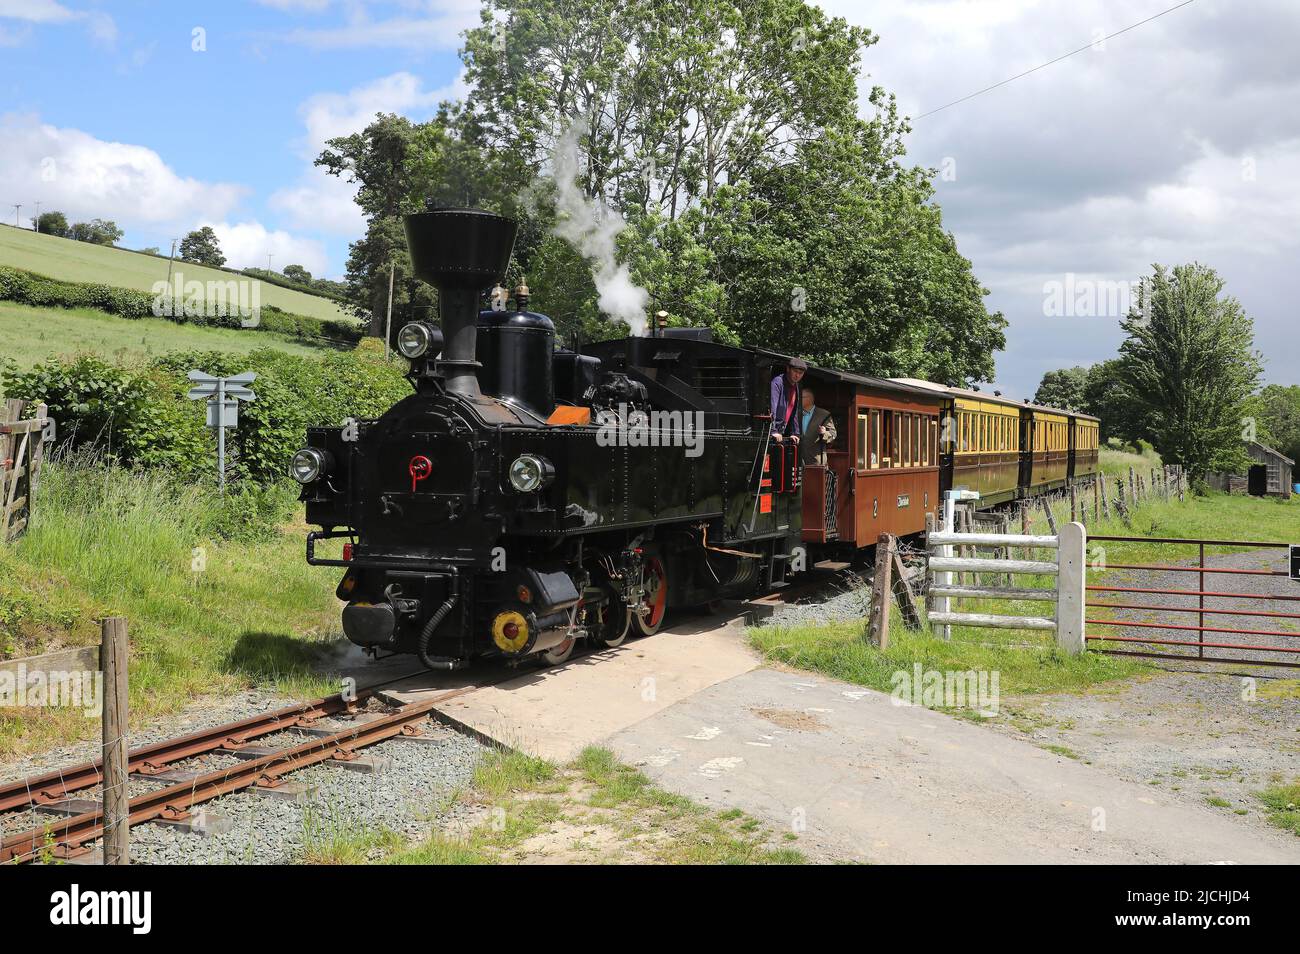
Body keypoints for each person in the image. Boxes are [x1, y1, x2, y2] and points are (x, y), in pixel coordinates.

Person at [769, 358, 806, 445]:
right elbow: (772, 407)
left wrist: (794, 433)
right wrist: (773, 430)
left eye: (800, 373)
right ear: (788, 369)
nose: (797, 375)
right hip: (774, 432)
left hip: (782, 431)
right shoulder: (778, 382)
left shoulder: (796, 386)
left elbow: (794, 411)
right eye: (795, 371)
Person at [799, 386, 837, 465]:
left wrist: (824, 433)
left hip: (816, 461)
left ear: (810, 399)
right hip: (798, 461)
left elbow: (833, 434)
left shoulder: (824, 414)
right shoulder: (796, 414)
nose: (799, 399)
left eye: (802, 397)